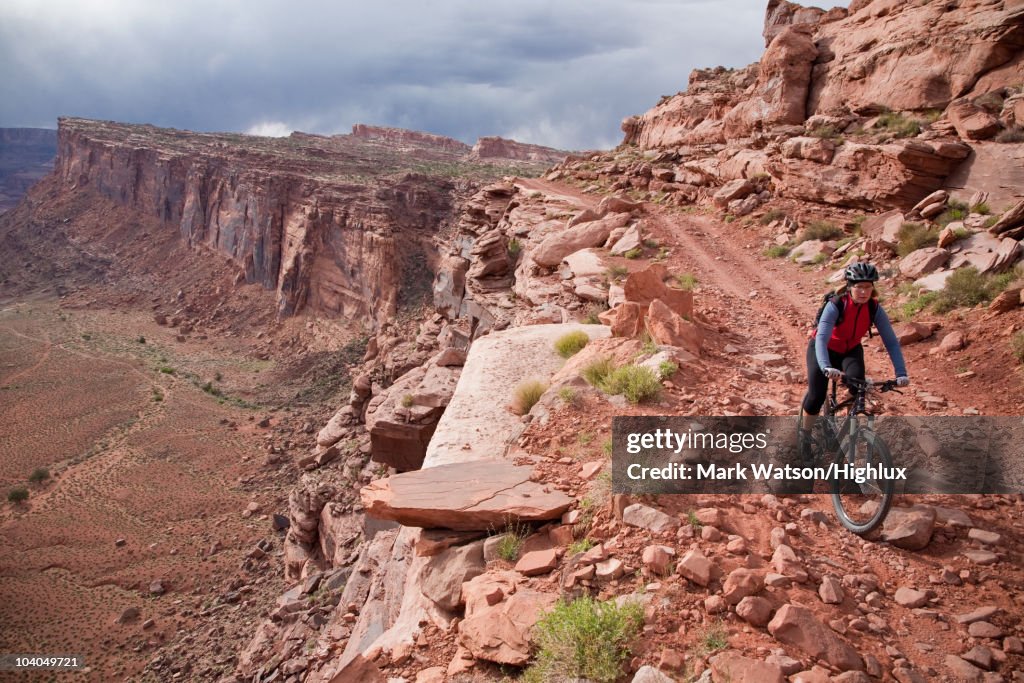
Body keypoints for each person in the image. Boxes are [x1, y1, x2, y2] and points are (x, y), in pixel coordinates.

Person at [800, 262, 909, 434]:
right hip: (823, 349)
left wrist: (901, 373)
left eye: (868, 287)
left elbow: (891, 342)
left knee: (858, 387)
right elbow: (821, 338)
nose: (864, 292)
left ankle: (844, 433)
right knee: (817, 395)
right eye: (859, 287)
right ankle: (804, 435)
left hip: (850, 350)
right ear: (849, 287)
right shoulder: (836, 304)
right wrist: (825, 366)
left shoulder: (874, 307)